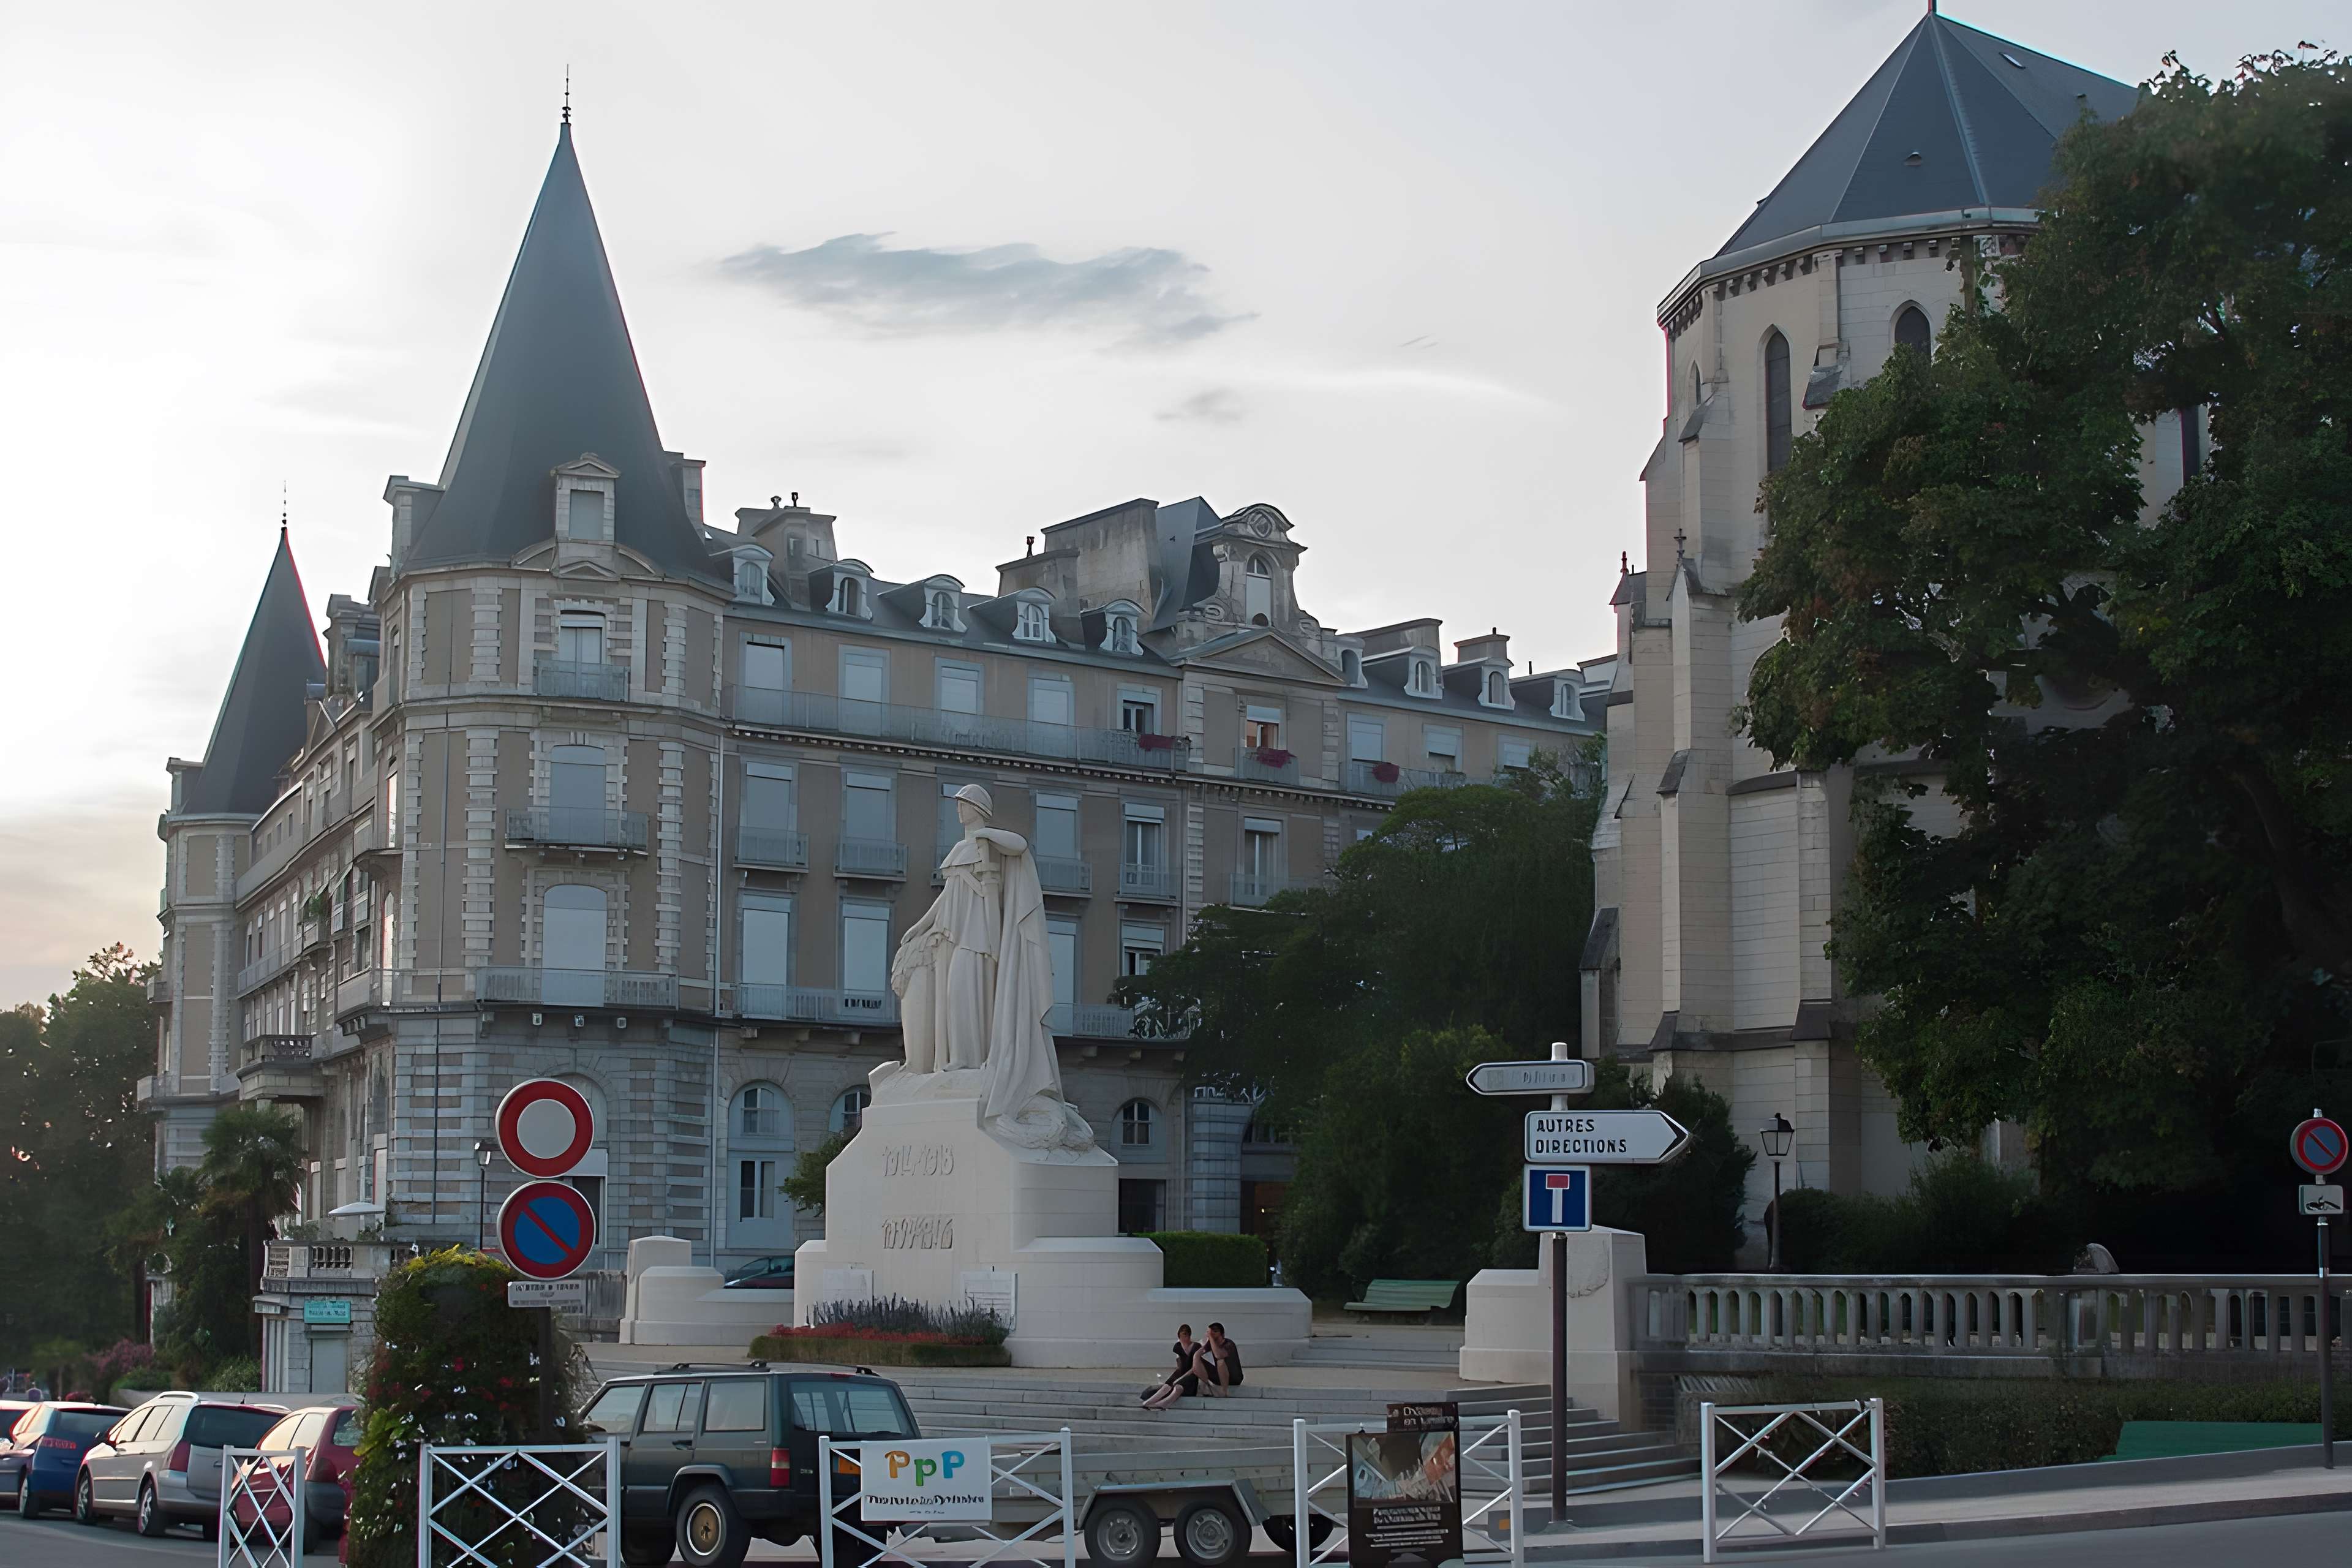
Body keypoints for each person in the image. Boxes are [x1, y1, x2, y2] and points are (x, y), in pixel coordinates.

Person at [1140, 1324, 1200, 1409]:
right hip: (1181, 1372)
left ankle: (1162, 1404)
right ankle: (1149, 1402)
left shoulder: (1196, 1346)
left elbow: (1194, 1368)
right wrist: (1176, 1377)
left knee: (1178, 1388)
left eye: (1187, 1335)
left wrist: (1180, 1379)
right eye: (1183, 1335)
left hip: (1191, 1375)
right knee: (1166, 1386)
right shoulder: (1178, 1346)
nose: (1185, 1338)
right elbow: (1180, 1365)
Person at [1200, 1322, 1244, 1396]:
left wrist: (1211, 1338)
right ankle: (1208, 1388)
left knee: (1220, 1361)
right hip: (1218, 1378)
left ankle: (1224, 1392)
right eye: (1210, 1332)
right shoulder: (1209, 1344)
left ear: (1222, 1335)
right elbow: (1196, 1356)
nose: (1212, 1334)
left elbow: (1219, 1355)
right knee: (1198, 1360)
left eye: (1215, 1331)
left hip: (1234, 1378)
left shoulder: (1229, 1343)